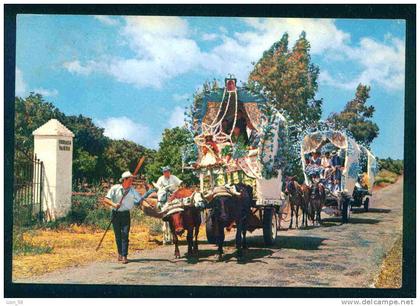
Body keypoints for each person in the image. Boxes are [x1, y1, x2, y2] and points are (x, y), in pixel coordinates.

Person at [103, 171, 152, 264]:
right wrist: (114, 204)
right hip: (115, 214)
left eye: (132, 180)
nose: (131, 181)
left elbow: (140, 200)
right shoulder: (115, 188)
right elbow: (106, 199)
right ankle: (120, 253)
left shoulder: (132, 190)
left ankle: (125, 255)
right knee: (118, 235)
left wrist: (149, 206)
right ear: (124, 180)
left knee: (125, 235)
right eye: (130, 179)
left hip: (125, 214)